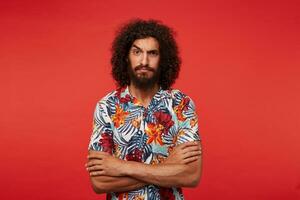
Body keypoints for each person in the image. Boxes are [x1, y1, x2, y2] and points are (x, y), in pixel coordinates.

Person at [85, 18, 202, 200]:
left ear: (163, 59)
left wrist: (120, 167)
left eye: (152, 53)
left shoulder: (181, 104)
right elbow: (99, 182)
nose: (144, 60)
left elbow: (191, 175)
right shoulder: (106, 106)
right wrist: (168, 166)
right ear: (126, 56)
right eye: (137, 52)